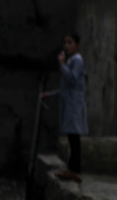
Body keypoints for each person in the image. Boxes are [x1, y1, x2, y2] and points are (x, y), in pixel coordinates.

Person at [42, 33, 88, 182]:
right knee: (71, 137)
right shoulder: (72, 61)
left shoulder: (77, 60)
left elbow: (72, 79)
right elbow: (66, 87)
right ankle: (72, 169)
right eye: (65, 43)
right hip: (70, 102)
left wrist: (61, 65)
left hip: (74, 104)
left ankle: (75, 170)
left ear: (77, 45)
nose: (67, 46)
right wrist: (52, 94)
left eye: (70, 43)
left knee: (74, 138)